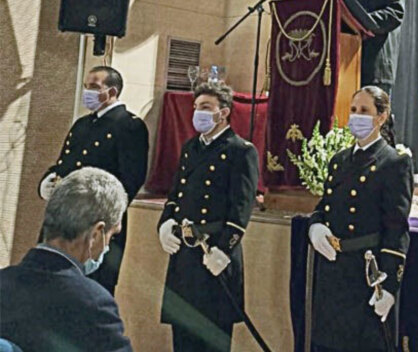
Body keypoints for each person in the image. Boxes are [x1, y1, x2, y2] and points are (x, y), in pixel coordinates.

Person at [307, 86, 414, 352]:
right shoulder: (339, 160)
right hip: (334, 270)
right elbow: (326, 205)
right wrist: (316, 225)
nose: (356, 116)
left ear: (382, 116)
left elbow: (396, 228)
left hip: (367, 273)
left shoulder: (393, 163)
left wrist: (389, 287)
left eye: (365, 111)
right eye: (353, 110)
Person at [157, 81, 259, 352]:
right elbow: (176, 191)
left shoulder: (241, 150)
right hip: (186, 254)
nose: (198, 112)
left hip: (214, 252)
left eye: (205, 107)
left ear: (223, 112)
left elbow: (241, 207)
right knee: (183, 335)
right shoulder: (191, 147)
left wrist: (224, 251)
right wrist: (166, 222)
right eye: (196, 106)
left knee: (211, 337)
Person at [38, 65, 149, 294]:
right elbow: (64, 165)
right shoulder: (82, 125)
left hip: (95, 227)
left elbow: (130, 181)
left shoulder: (129, 126)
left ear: (112, 92)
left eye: (94, 87)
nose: (87, 91)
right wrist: (48, 181)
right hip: (63, 222)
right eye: (86, 86)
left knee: (88, 295)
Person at [0, 167, 132, 352]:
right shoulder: (94, 305)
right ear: (96, 234)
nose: (108, 245)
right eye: (111, 235)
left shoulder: (3, 284)